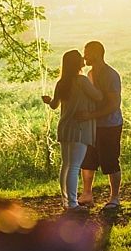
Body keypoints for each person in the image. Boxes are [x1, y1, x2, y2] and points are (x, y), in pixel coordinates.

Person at [42, 49, 103, 212]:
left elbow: (54, 105)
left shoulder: (62, 83)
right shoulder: (81, 81)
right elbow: (98, 97)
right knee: (74, 166)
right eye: (80, 58)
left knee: (66, 165)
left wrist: (48, 100)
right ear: (76, 63)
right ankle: (73, 204)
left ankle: (66, 200)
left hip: (65, 127)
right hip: (79, 128)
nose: (83, 59)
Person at [76, 41, 123, 210]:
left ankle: (114, 197)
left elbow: (113, 105)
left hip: (110, 125)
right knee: (88, 159)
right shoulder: (90, 74)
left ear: (96, 53)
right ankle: (87, 194)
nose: (84, 56)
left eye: (87, 52)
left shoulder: (111, 75)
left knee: (110, 160)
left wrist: (91, 115)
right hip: (93, 125)